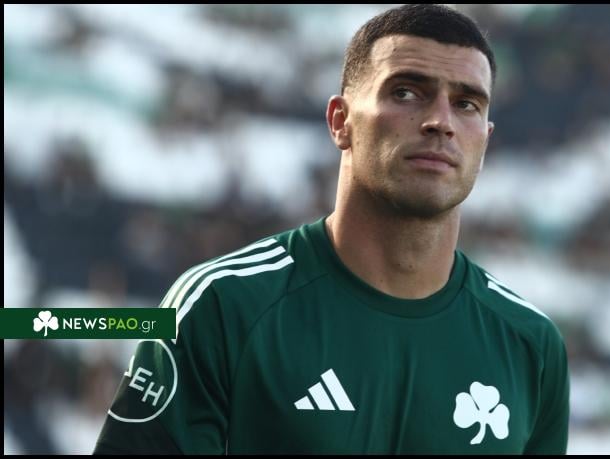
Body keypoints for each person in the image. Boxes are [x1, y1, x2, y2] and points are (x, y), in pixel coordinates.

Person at [94, 4, 569, 454]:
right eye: (406, 92)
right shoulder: (223, 305)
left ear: (485, 140)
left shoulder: (532, 345)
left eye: (466, 104)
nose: (440, 122)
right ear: (341, 122)